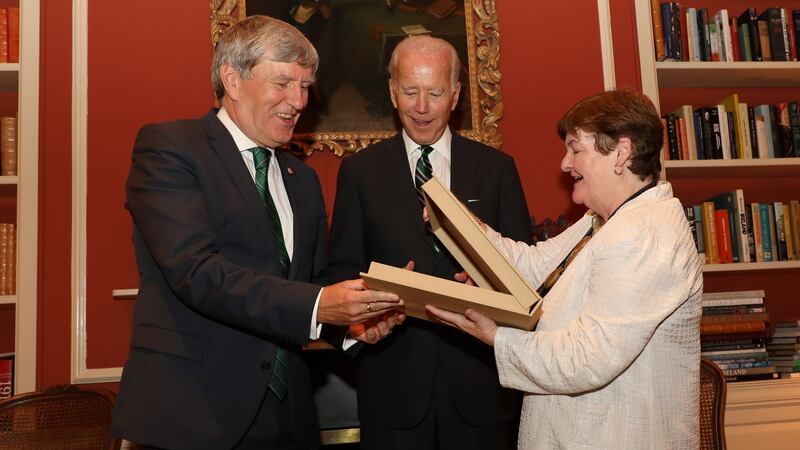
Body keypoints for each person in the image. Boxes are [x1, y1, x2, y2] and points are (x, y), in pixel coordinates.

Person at [111, 16, 405, 450]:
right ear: (232, 78)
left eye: (305, 86)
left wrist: (350, 326)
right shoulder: (171, 149)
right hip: (193, 413)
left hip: (290, 416)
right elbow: (197, 272)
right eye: (283, 83)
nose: (298, 100)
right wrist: (323, 304)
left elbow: (306, 286)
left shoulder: (300, 179)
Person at [427, 89, 703, 449]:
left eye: (575, 149)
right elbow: (532, 266)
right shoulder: (603, 221)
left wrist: (498, 337)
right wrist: (468, 227)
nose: (564, 164)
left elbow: (586, 360)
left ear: (621, 152)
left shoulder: (643, 233)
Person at [328, 35, 532, 450]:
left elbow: (524, 277)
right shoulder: (360, 173)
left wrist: (489, 285)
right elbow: (340, 272)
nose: (421, 107)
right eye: (410, 91)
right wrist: (366, 309)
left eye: (435, 92)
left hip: (480, 391)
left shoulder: (496, 170)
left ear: (455, 95)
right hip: (392, 391)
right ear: (391, 91)